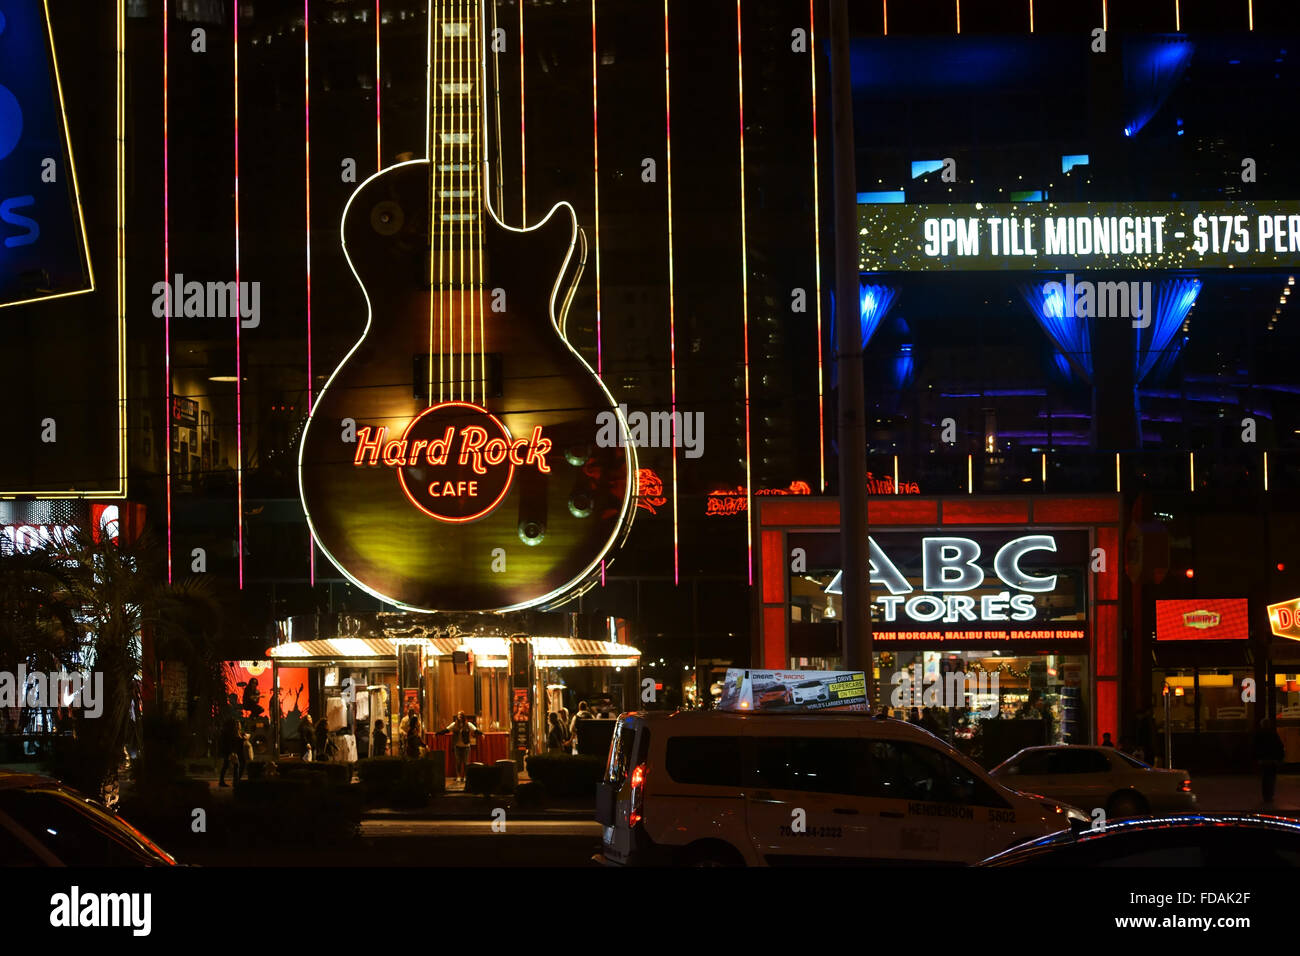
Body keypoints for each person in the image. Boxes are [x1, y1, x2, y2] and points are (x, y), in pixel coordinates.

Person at [1255, 717, 1285, 804]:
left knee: (1265, 778)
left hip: (1264, 759)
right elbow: (1279, 746)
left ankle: (1266, 795)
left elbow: (1256, 748)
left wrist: (1258, 758)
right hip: (1273, 759)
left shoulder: (1259, 735)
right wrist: (1280, 758)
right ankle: (1270, 794)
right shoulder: (1273, 734)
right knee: (1271, 777)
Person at [445, 712, 478, 782]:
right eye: (458, 715)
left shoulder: (468, 724)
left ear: (463, 717)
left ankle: (465, 776)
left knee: (466, 762)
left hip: (466, 746)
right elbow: (447, 730)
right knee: (458, 762)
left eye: (461, 715)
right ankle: (458, 776)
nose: (459, 716)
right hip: (457, 746)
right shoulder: (454, 724)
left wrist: (482, 734)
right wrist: (437, 733)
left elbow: (475, 730)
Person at [218, 717, 241, 787]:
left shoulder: (225, 731)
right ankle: (235, 781)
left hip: (227, 751)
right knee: (234, 765)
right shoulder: (230, 732)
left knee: (227, 765)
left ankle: (223, 781)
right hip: (229, 751)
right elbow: (230, 742)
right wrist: (232, 751)